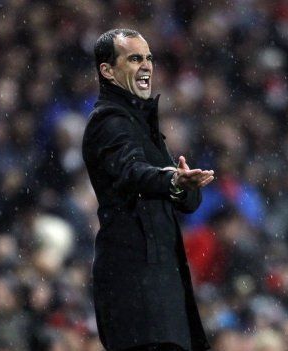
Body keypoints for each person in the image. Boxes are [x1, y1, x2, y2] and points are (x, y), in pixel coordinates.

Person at [82, 29, 214, 351]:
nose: (146, 66)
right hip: (135, 287)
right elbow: (132, 172)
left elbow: (188, 200)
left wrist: (182, 186)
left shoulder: (142, 125)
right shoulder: (108, 121)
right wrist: (171, 181)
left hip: (160, 286)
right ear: (107, 70)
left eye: (149, 58)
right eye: (135, 58)